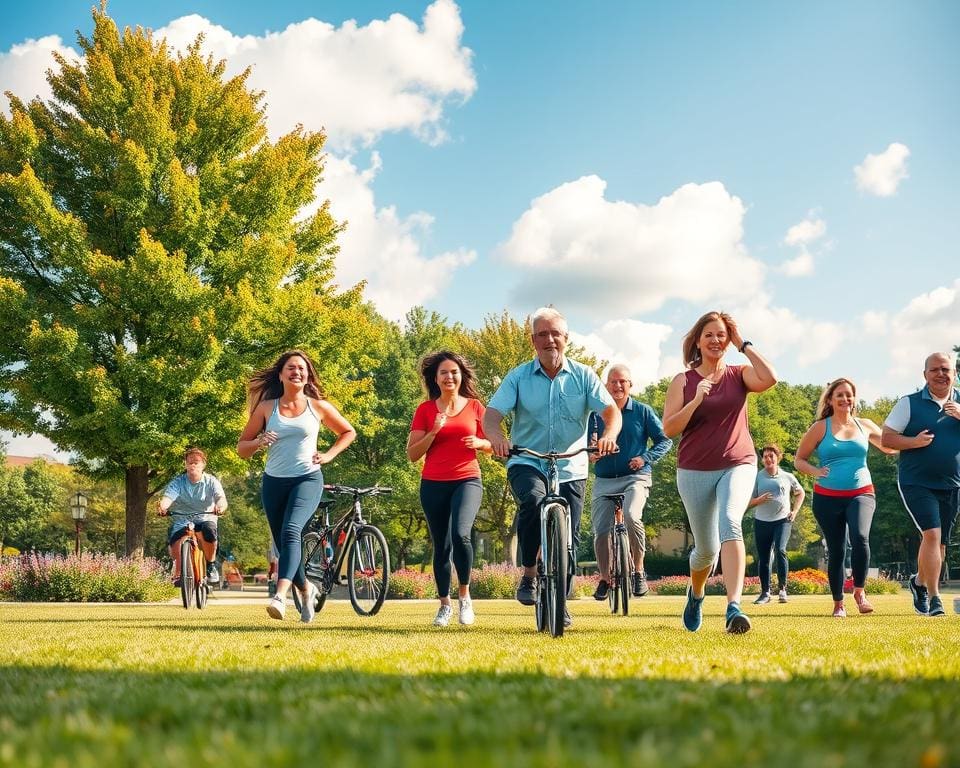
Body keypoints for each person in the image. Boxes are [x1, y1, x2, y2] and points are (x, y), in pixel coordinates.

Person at [484, 307, 621, 628]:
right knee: (531, 503)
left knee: (569, 537)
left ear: (566, 338)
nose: (550, 340)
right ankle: (530, 573)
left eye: (555, 334)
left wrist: (609, 437)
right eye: (542, 334)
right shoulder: (518, 377)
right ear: (533, 340)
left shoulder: (584, 376)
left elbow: (611, 413)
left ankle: (561, 601)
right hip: (527, 459)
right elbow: (491, 416)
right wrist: (498, 439)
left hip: (572, 463)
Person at [662, 311, 777, 634]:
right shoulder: (683, 381)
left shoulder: (739, 375)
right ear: (698, 340)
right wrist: (696, 400)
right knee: (706, 550)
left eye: (722, 335)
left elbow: (770, 378)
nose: (716, 340)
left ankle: (733, 607)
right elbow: (669, 429)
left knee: (731, 521)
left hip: (738, 462)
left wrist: (744, 343)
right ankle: (696, 593)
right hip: (694, 469)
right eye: (709, 335)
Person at [237, 349, 356, 623]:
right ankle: (305, 589)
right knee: (285, 544)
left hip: (307, 479)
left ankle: (280, 595)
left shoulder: (318, 407)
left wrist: (329, 454)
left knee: (292, 530)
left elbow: (348, 432)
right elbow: (242, 448)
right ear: (281, 374)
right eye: (291, 367)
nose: (297, 372)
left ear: (307, 375)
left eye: (302, 368)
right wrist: (259, 442)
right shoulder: (267, 407)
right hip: (274, 483)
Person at [795, 377, 896, 617]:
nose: (844, 399)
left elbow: (891, 447)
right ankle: (838, 604)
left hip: (862, 492)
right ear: (830, 399)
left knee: (860, 538)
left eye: (848, 394)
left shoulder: (865, 425)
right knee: (837, 549)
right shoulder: (821, 427)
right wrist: (816, 471)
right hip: (827, 496)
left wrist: (917, 442)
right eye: (839, 394)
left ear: (854, 398)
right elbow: (800, 459)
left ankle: (860, 592)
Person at [407, 351, 492, 627]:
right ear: (436, 378)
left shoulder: (476, 407)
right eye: (443, 372)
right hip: (433, 483)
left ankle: (465, 597)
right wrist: (433, 432)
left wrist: (480, 443)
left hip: (467, 479)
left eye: (454, 372)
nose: (449, 377)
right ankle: (444, 605)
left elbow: (495, 444)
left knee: (461, 535)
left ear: (461, 376)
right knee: (441, 546)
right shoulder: (425, 410)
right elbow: (412, 454)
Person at [881, 352, 960, 618]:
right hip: (916, 481)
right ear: (925, 374)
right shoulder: (909, 404)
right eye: (935, 369)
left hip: (952, 484)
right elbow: (887, 438)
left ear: (955, 373)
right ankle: (936, 598)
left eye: (946, 369)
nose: (941, 374)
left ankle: (918, 583)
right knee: (932, 535)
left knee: (940, 545)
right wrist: (912, 442)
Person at [589, 364, 672, 600]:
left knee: (632, 516)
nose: (617, 386)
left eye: (622, 381)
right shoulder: (596, 415)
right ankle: (605, 578)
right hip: (604, 480)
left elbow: (664, 441)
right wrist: (591, 454)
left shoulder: (643, 411)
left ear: (630, 385)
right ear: (606, 385)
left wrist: (645, 457)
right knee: (601, 530)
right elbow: (587, 444)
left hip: (636, 477)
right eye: (613, 382)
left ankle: (638, 571)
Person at [158, 446, 227, 585]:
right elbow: (168, 498)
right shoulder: (178, 482)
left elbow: (221, 499)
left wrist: (220, 507)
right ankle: (178, 572)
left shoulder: (211, 481)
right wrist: (163, 507)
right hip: (182, 519)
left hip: (206, 517)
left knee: (209, 531)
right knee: (175, 540)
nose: (193, 464)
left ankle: (210, 565)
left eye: (196, 461)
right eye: (189, 461)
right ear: (185, 464)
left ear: (203, 465)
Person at [747, 444, 804, 605]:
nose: (768, 459)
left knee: (780, 550)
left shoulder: (787, 476)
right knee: (764, 558)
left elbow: (800, 493)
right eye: (765, 457)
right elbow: (748, 501)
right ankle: (765, 593)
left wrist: (795, 511)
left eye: (771, 456)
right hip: (762, 522)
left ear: (777, 458)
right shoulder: (757, 477)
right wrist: (759, 500)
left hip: (782, 521)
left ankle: (782, 590)